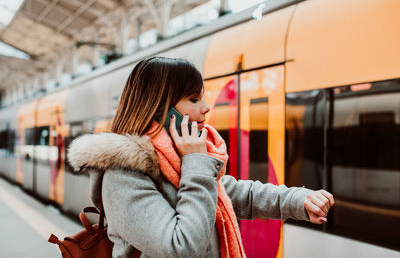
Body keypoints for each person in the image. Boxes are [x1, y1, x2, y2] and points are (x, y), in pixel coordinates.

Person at [67, 57, 334, 258]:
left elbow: (233, 194)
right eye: (194, 100)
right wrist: (196, 162)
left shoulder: (174, 162)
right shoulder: (124, 175)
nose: (206, 108)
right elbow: (180, 247)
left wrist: (299, 200)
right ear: (162, 108)